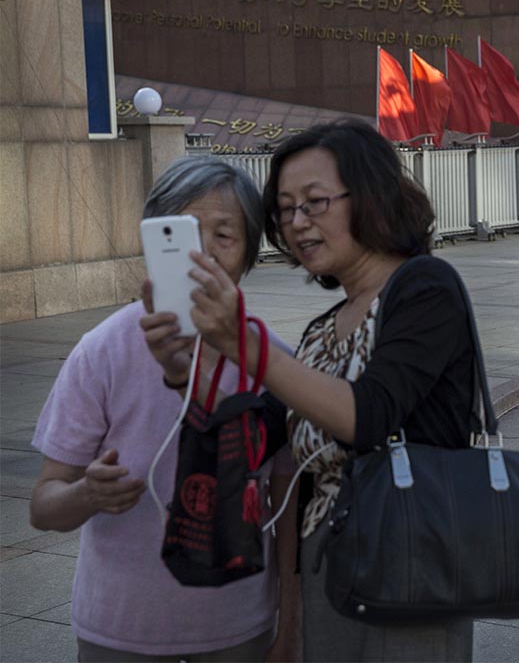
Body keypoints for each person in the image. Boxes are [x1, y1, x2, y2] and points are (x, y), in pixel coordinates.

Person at [144, 120, 475, 662]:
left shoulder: (424, 288)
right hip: (330, 563)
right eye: (285, 208)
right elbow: (254, 434)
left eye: (315, 202)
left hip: (408, 561)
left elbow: (369, 417)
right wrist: (183, 370)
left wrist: (241, 344)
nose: (298, 223)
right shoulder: (324, 328)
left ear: (370, 197)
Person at [29, 157, 299, 662]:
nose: (204, 253)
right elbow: (43, 506)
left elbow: (288, 509)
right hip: (119, 628)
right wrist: (88, 493)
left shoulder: (276, 362)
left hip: (239, 627)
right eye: (184, 232)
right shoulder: (102, 349)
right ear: (154, 242)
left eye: (225, 234)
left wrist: (290, 625)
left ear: (248, 254)